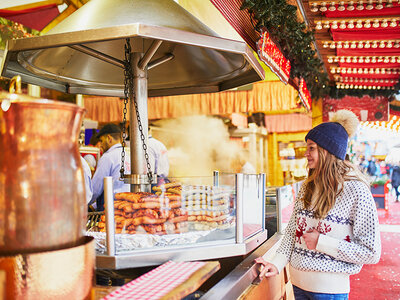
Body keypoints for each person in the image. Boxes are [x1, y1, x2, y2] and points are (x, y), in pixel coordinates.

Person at [255, 110, 381, 299]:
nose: (306, 153)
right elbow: (291, 233)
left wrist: (322, 242)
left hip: (329, 291)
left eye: (311, 147)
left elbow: (371, 252)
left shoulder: (356, 191)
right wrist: (276, 263)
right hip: (298, 286)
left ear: (327, 151)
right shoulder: (307, 187)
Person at [90, 123, 131, 211]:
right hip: (126, 207)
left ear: (109, 138)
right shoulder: (127, 156)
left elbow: (95, 189)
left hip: (111, 209)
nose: (100, 145)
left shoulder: (108, 157)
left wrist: (84, 203)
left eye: (101, 140)